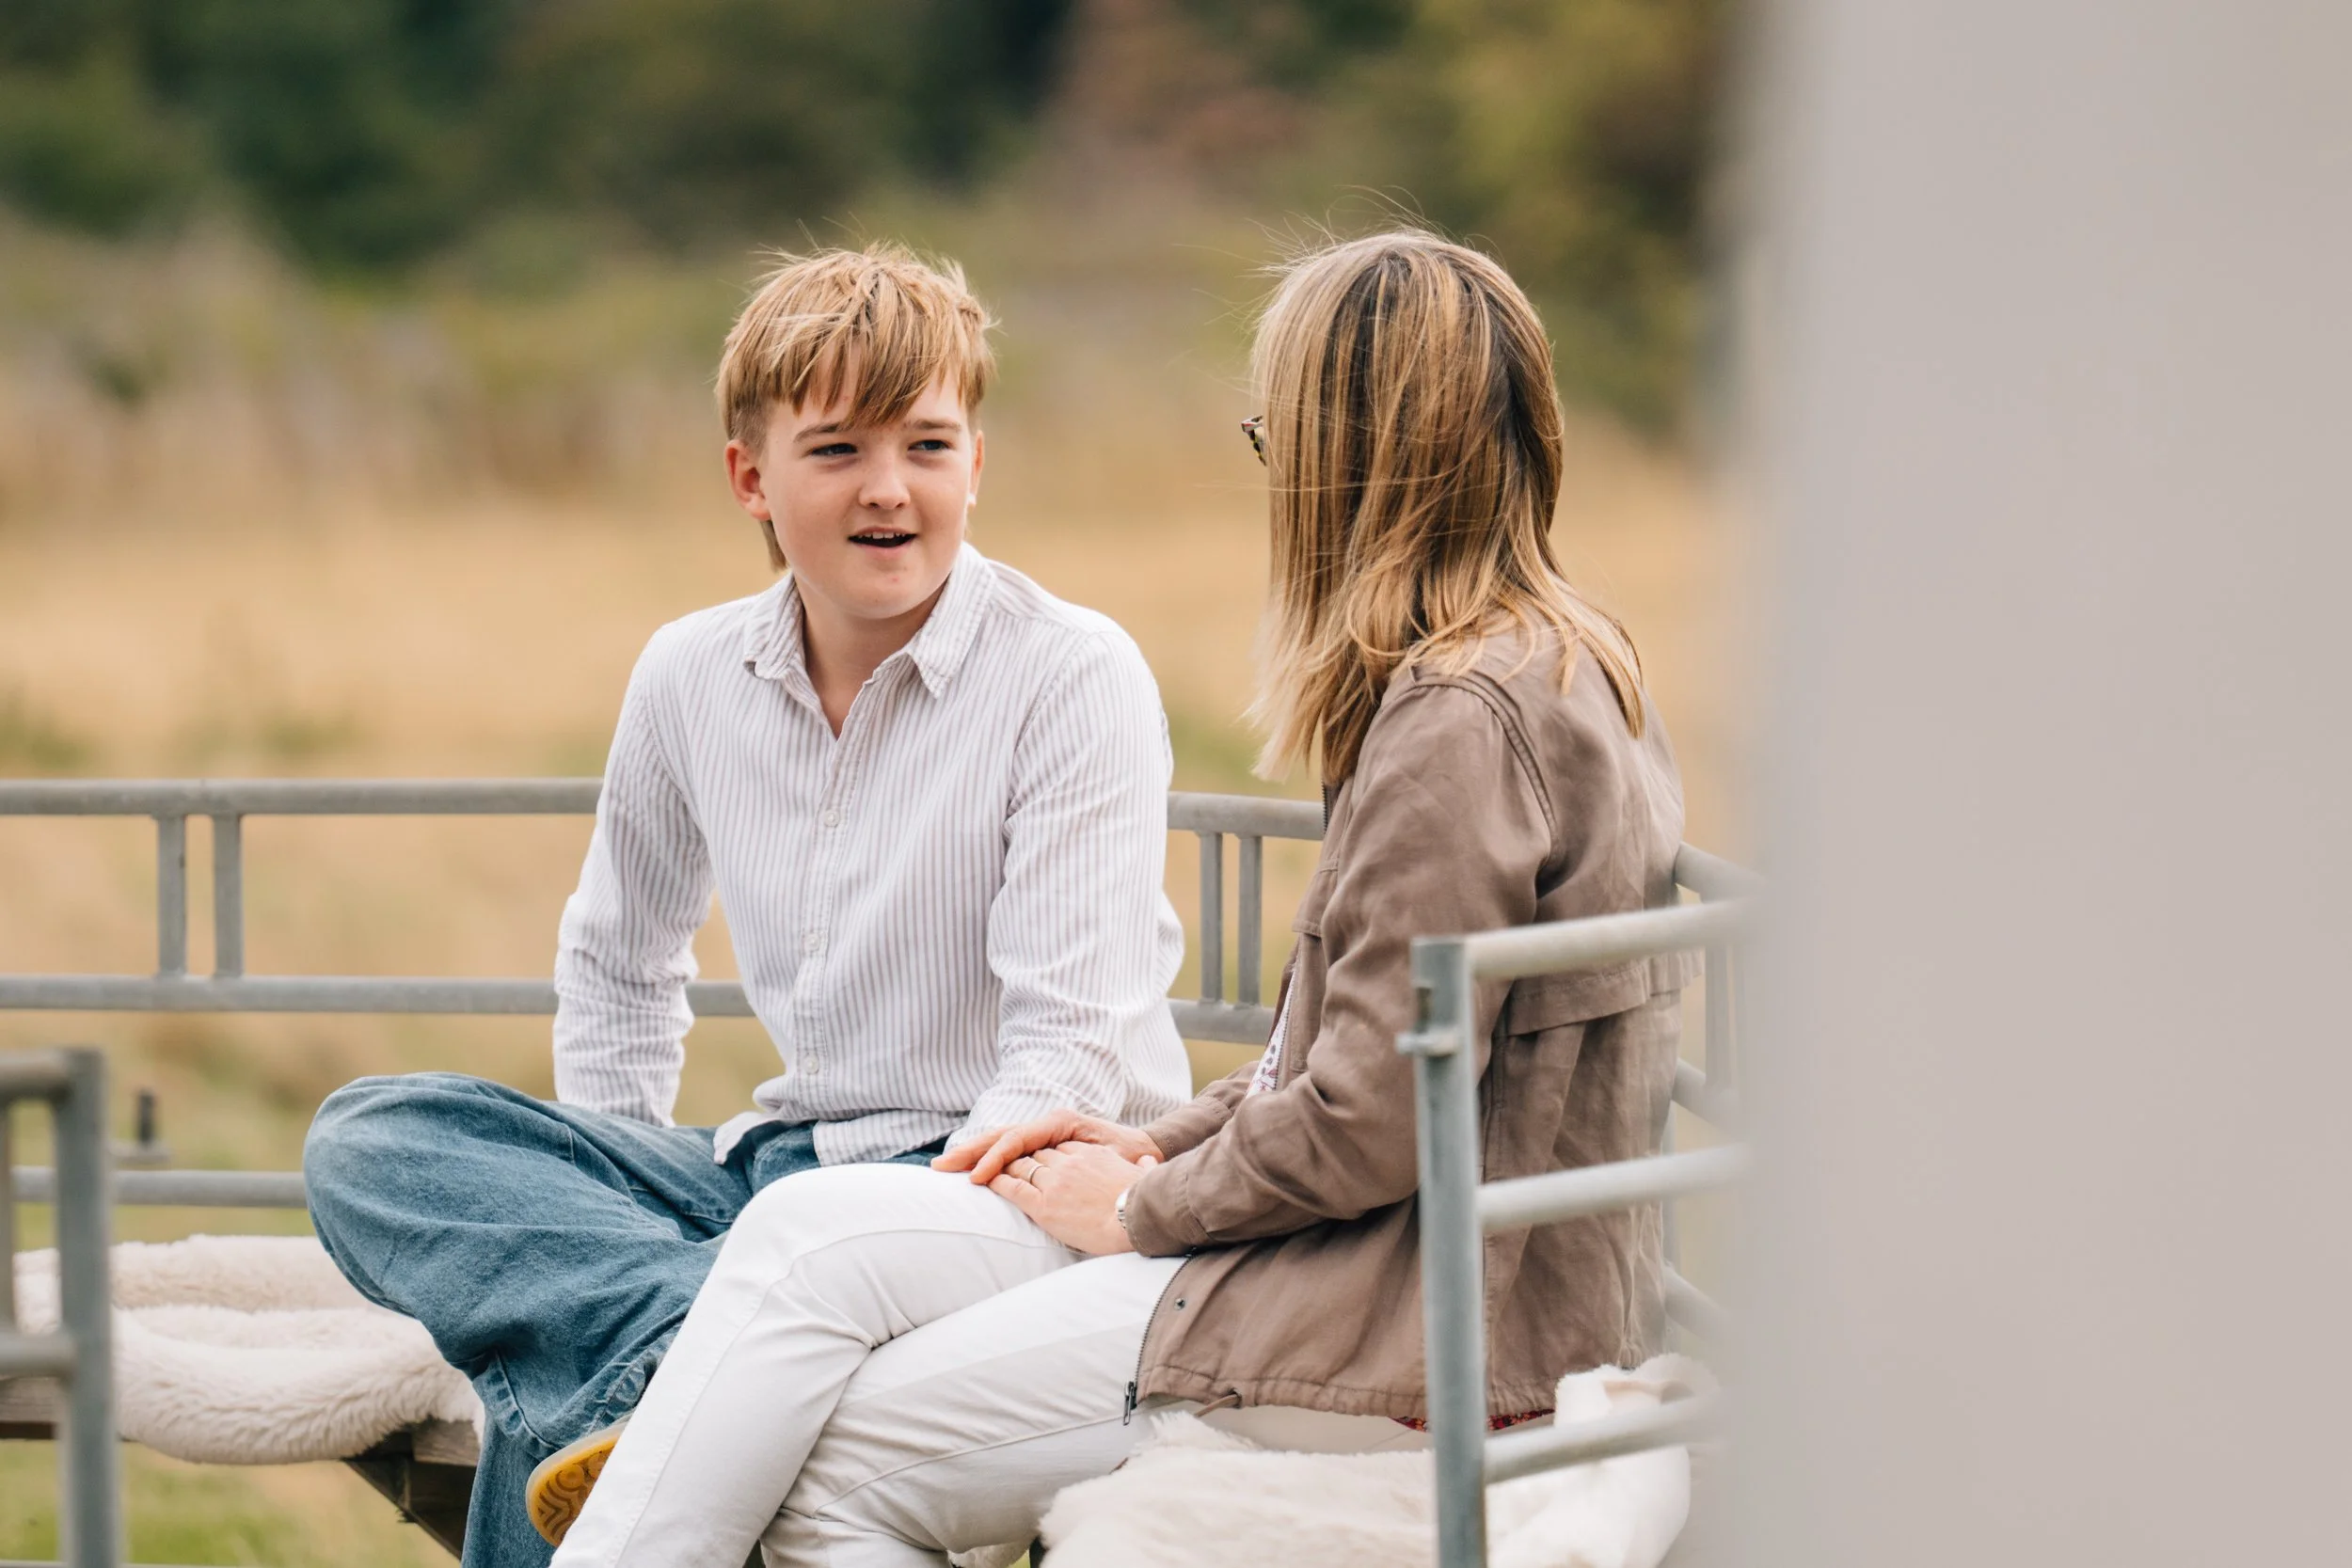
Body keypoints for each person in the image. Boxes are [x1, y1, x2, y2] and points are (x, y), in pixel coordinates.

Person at [540, 229, 1696, 1568]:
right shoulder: (1570, 662)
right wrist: (1156, 1141)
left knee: (820, 1448)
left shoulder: (1455, 721)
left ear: (1349, 460)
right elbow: (1349, 1073)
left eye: (1277, 442)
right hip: (1427, 1276)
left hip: (1398, 1325)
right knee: (796, 1262)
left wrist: (1143, 1207)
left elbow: (1368, 1121)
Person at [300, 244, 1193, 1568]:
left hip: (990, 1186)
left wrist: (839, 1244)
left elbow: (1068, 1046)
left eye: (928, 444)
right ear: (750, 478)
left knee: (578, 1363)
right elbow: (618, 957)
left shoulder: (1070, 673)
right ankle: (663, 1334)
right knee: (368, 1137)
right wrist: (618, 1225)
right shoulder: (689, 674)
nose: (891, 489)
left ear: (976, 464)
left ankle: (642, 1367)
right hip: (766, 1170)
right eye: (836, 450)